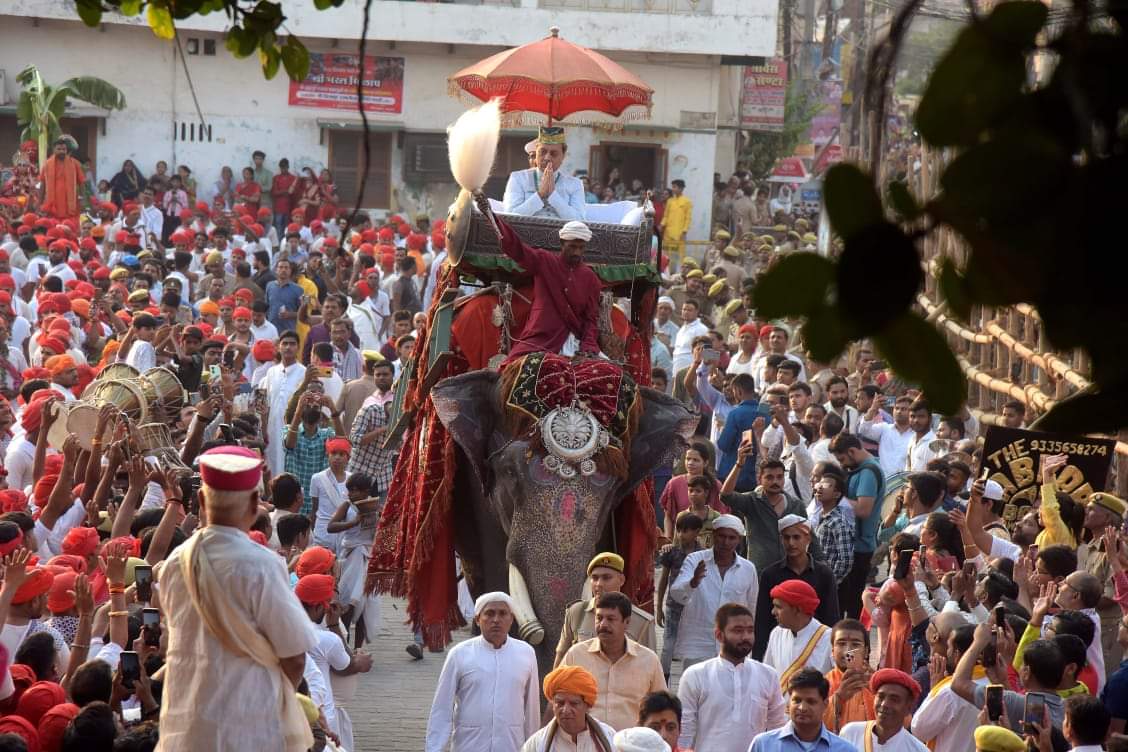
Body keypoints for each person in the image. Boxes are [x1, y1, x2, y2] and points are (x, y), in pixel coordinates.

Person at [157, 446, 318, 751]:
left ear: (202, 501)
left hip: (186, 726)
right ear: (255, 504)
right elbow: (295, 656)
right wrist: (281, 700)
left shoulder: (175, 563)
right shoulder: (264, 565)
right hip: (249, 725)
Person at [477, 194, 600, 360]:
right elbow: (516, 248)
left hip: (575, 344)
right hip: (539, 339)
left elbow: (590, 319)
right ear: (562, 244)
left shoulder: (590, 279)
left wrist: (588, 346)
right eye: (572, 247)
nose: (577, 252)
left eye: (581, 248)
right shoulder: (545, 261)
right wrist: (491, 216)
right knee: (510, 371)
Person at [426, 592, 540, 752]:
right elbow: (442, 707)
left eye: (502, 614)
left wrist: (534, 747)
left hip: (511, 744)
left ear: (512, 619)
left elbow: (532, 709)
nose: (496, 620)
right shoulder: (460, 654)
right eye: (489, 613)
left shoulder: (526, 653)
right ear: (477, 620)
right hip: (469, 744)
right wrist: (434, 748)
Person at [676, 603, 787, 752]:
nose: (746, 637)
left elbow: (777, 728)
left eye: (750, 631)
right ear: (719, 635)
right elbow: (684, 730)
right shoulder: (695, 675)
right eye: (738, 631)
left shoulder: (768, 675)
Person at [560, 592, 666, 731]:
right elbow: (557, 698)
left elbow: (663, 707)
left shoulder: (648, 660)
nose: (603, 624)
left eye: (610, 619)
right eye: (599, 618)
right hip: (585, 742)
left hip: (630, 745)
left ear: (627, 622)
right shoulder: (576, 655)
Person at [668, 516, 759, 670]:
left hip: (733, 644)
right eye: (722, 536)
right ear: (714, 535)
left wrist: (747, 639)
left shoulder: (748, 568)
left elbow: (751, 607)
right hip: (697, 644)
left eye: (732, 538)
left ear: (739, 540)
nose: (726, 542)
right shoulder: (695, 560)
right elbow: (676, 593)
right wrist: (692, 583)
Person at [753, 515, 839, 659]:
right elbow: (762, 620)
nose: (791, 543)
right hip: (781, 645)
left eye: (796, 537)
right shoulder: (770, 574)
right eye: (786, 538)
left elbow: (831, 616)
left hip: (817, 645)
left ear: (808, 539)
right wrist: (758, 659)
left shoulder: (824, 574)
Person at [555, 552, 657, 667]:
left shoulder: (642, 622)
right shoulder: (577, 613)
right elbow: (561, 654)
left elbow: (650, 665)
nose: (599, 584)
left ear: (621, 580)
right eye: (594, 578)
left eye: (606, 578)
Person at [830, 433, 884, 618]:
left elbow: (863, 509)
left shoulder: (868, 472)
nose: (843, 464)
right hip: (852, 545)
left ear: (852, 451)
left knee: (852, 606)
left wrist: (834, 496)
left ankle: (853, 645)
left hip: (859, 547)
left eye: (843, 458)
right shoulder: (860, 470)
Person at [748, 669, 855, 752]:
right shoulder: (763, 745)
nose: (802, 708)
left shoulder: (844, 749)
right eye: (797, 700)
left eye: (811, 701)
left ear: (825, 704)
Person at [522, 665, 616, 751]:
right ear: (553, 705)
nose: (566, 710)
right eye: (560, 703)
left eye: (574, 703)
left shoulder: (610, 738)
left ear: (587, 705)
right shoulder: (535, 745)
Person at [503, 126, 585, 220]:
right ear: (536, 152)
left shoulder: (575, 184)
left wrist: (553, 196)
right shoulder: (518, 178)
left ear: (563, 157)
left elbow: (579, 220)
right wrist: (540, 195)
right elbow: (510, 216)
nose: (547, 158)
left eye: (553, 153)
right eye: (542, 152)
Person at [839, 669, 929, 752]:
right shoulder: (850, 733)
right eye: (881, 697)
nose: (884, 704)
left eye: (894, 699)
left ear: (908, 708)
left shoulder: (917, 749)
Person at [763, 580, 833, 683]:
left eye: (778, 607)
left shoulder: (830, 638)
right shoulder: (776, 633)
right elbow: (767, 675)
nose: (773, 612)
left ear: (797, 609)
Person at [261, 330, 306, 477]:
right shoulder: (271, 372)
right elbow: (265, 403)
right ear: (278, 347)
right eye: (284, 344)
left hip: (294, 430)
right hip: (272, 429)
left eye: (292, 344)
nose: (288, 347)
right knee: (273, 465)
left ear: (298, 347)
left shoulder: (304, 373)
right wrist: (263, 429)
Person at [824, 618, 876, 732]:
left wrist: (878, 692)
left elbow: (904, 722)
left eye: (855, 644)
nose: (848, 651)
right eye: (841, 644)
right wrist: (838, 699)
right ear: (832, 650)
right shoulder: (822, 684)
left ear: (866, 651)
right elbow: (812, 723)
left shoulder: (879, 682)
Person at [39, 138, 85, 219]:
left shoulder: (74, 164)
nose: (62, 151)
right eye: (59, 149)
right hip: (53, 205)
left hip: (69, 204)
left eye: (64, 149)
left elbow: (81, 182)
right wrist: (40, 203)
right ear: (54, 150)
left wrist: (81, 199)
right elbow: (43, 184)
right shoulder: (47, 164)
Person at [660, 180, 692, 258]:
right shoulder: (670, 201)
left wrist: (684, 231)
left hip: (679, 234)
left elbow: (688, 218)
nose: (673, 189)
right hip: (668, 233)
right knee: (666, 255)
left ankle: (679, 270)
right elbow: (666, 216)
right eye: (672, 187)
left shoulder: (687, 201)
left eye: (675, 187)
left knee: (678, 256)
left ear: (681, 188)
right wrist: (661, 225)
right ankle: (666, 270)